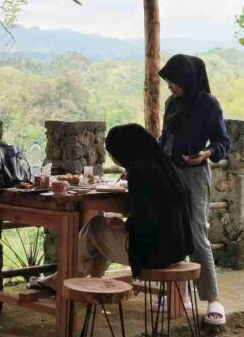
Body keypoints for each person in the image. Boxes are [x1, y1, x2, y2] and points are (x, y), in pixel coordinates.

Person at [29, 123, 194, 291]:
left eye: (111, 152)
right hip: (178, 250)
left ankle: (64, 281)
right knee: (102, 232)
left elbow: (144, 218)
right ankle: (91, 284)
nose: (113, 158)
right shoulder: (168, 166)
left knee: (95, 226)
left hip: (153, 254)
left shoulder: (141, 170)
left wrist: (124, 225)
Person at [158, 54, 231, 326]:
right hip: (170, 174)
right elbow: (165, 139)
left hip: (195, 174)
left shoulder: (208, 104)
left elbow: (223, 141)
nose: (169, 87)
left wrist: (207, 153)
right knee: (172, 232)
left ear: (188, 80)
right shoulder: (171, 103)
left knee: (197, 234)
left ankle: (213, 300)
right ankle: (179, 292)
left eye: (173, 82)